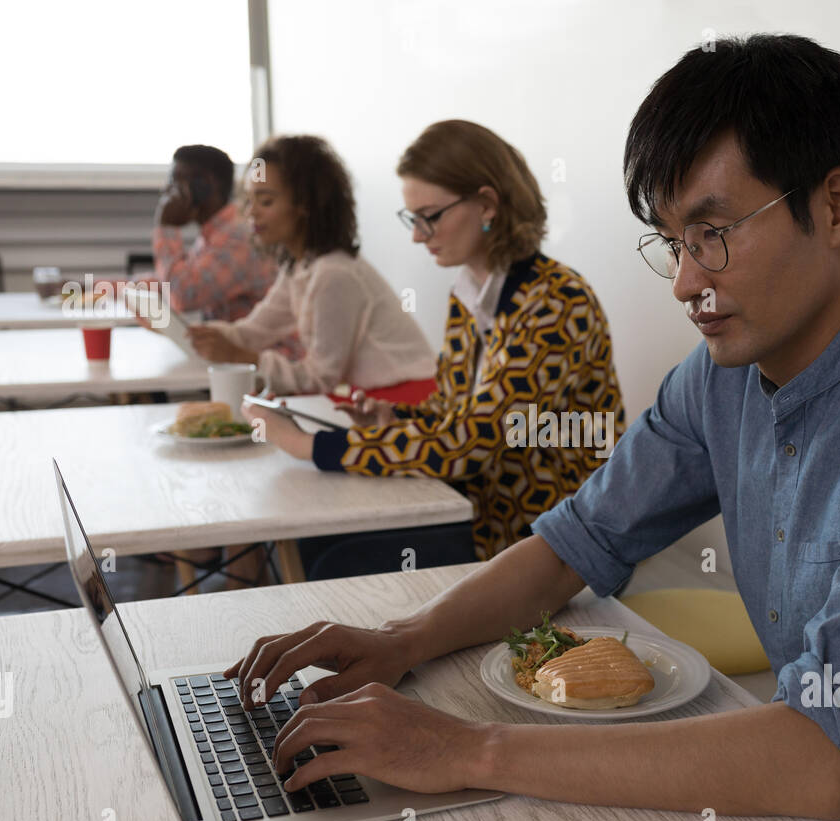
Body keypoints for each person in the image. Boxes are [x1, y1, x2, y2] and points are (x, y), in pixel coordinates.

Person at [225, 35, 840, 821]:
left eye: (714, 234)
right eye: (672, 242)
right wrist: (402, 639)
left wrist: (462, 749)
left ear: (835, 203)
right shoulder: (723, 375)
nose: (687, 284)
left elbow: (828, 756)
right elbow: (577, 542)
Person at [246, 120, 625, 561]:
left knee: (337, 556)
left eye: (429, 217)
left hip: (547, 536)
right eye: (413, 218)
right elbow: (455, 412)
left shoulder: (558, 302)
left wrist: (307, 444)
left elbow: (470, 443)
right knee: (317, 538)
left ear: (486, 204)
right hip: (484, 510)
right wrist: (395, 415)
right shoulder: (470, 293)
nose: (417, 234)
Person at [190, 135, 436, 398]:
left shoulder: (334, 274)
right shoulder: (301, 265)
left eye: (266, 201)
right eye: (249, 200)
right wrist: (195, 334)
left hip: (406, 399)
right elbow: (254, 331)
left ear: (305, 205)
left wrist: (239, 356)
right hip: (370, 396)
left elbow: (320, 379)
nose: (251, 213)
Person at [150, 144, 279, 323]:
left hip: (262, 350)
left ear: (204, 185)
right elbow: (172, 280)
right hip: (235, 347)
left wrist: (166, 228)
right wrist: (107, 288)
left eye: (174, 181)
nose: (166, 191)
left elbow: (182, 296)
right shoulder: (216, 233)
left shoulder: (238, 237)